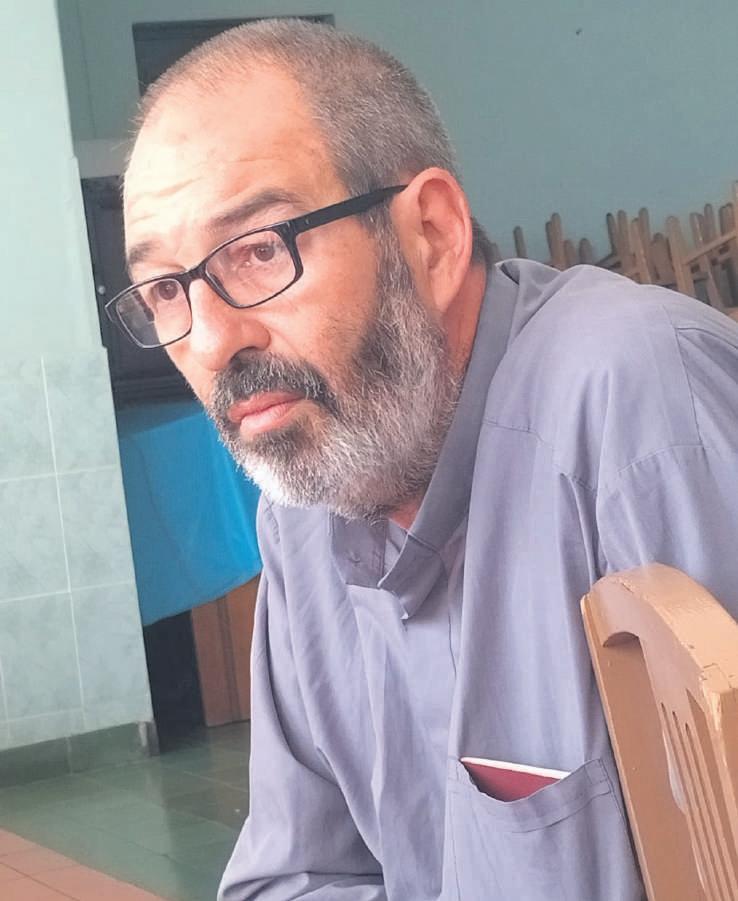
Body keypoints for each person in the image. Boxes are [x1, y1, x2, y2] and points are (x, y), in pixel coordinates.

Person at [118, 18, 738, 901]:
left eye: (259, 251)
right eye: (165, 290)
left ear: (434, 234)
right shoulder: (304, 504)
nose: (213, 341)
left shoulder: (636, 398)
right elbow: (295, 874)